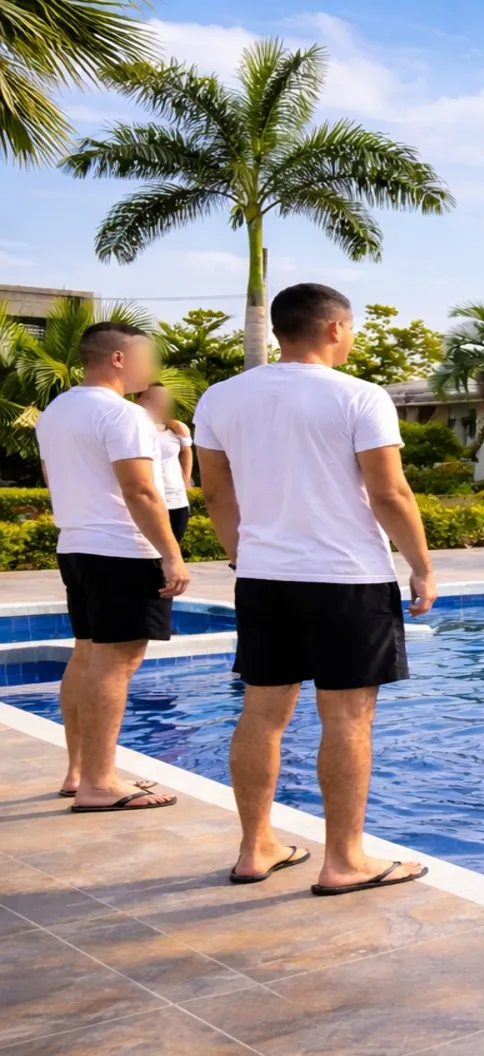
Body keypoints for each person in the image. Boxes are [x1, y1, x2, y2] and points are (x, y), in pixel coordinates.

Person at [196, 283, 436, 894]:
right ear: (334, 328)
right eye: (350, 328)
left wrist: (243, 555)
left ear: (279, 331)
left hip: (263, 578)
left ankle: (255, 849)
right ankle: (343, 861)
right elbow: (388, 492)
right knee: (348, 717)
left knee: (261, 712)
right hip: (346, 580)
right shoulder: (359, 396)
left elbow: (217, 495)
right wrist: (422, 565)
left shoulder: (220, 398)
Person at [36, 322, 189, 812]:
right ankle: (99, 783)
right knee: (116, 665)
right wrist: (170, 553)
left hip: (77, 547)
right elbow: (140, 490)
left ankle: (80, 771)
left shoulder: (56, 412)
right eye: (146, 356)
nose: (152, 367)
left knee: (86, 655)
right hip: (121, 550)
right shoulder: (124, 415)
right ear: (118, 358)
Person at [138, 383, 193, 544]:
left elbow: (187, 450)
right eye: (153, 398)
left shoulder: (176, 428)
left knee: (174, 544)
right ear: (138, 400)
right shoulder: (135, 428)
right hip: (150, 500)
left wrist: (186, 479)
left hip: (176, 499)